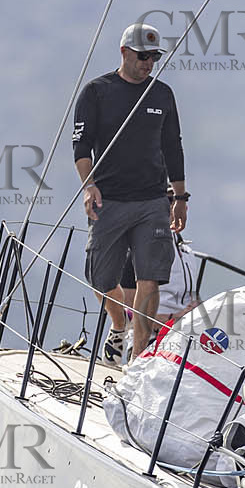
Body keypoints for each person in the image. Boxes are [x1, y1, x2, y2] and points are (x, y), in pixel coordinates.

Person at [72, 21, 190, 365]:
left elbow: (173, 147)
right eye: (142, 56)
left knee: (150, 278)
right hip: (109, 200)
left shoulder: (162, 94)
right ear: (124, 52)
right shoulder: (97, 91)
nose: (148, 63)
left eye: (154, 57)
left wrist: (180, 198)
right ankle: (118, 325)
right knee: (100, 277)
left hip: (153, 200)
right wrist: (88, 186)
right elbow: (81, 146)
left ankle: (138, 359)